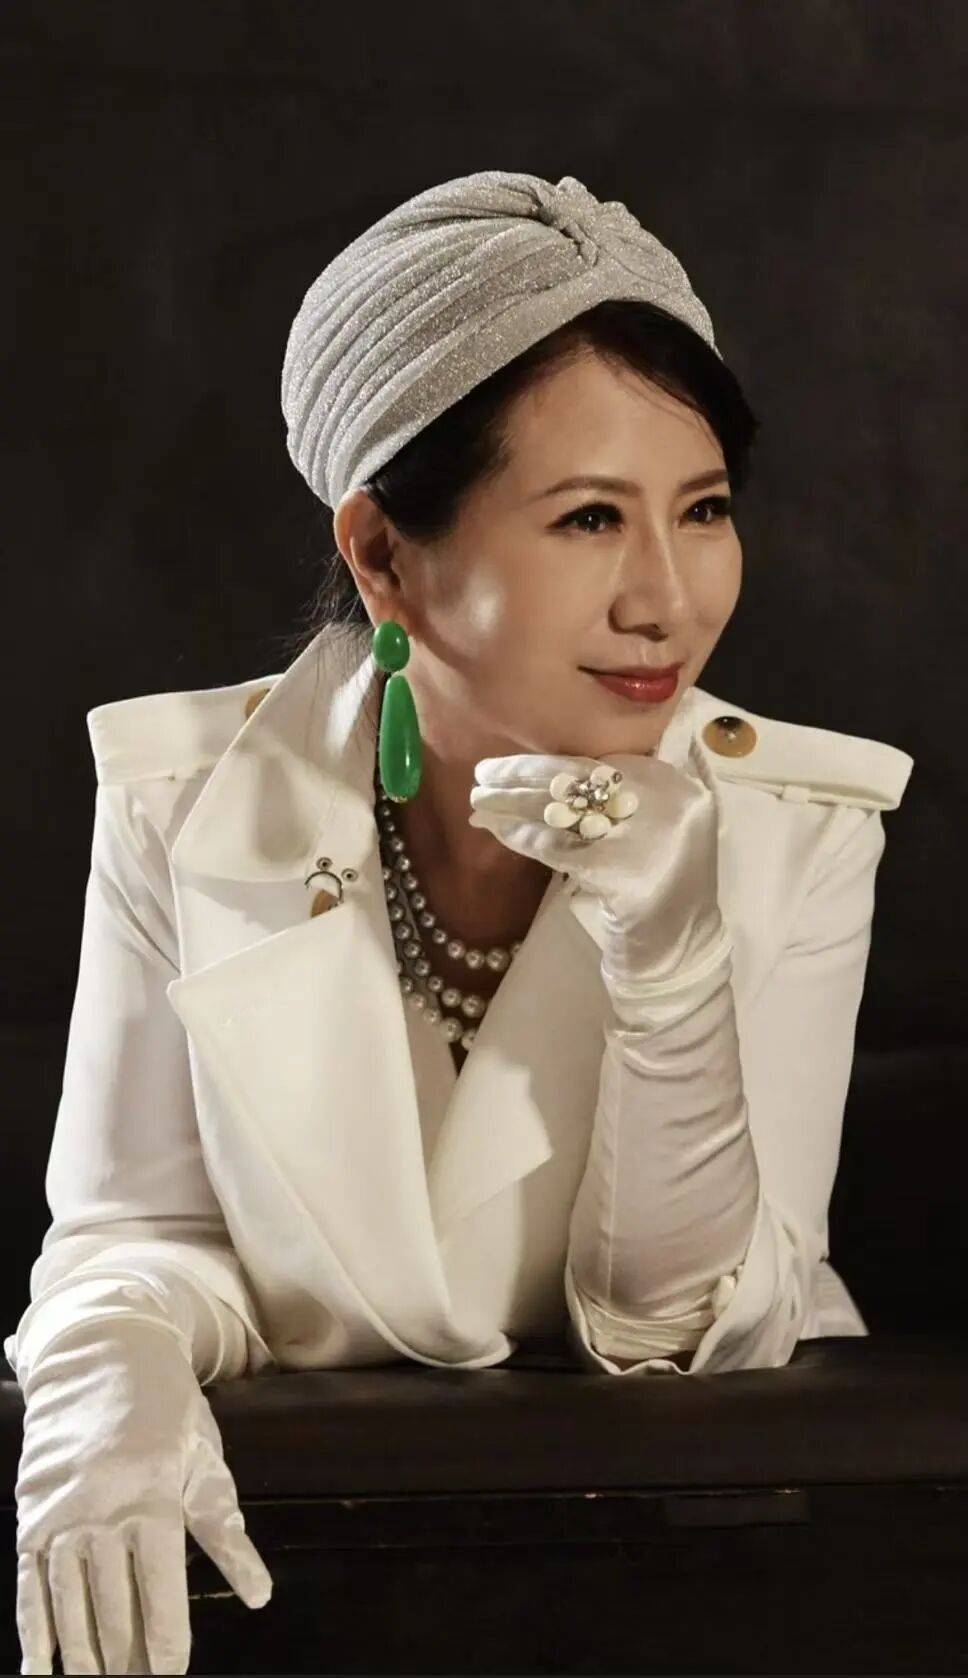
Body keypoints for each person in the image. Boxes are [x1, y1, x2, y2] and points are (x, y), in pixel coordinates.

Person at [6, 169, 914, 1674]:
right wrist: (108, 1369)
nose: (669, 599)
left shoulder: (798, 828)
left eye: (704, 511)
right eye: (589, 518)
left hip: (712, 1570)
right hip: (312, 1578)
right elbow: (143, 1233)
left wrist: (674, 966)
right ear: (381, 553)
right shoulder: (182, 802)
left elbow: (686, 1335)